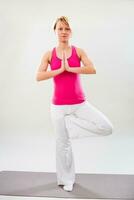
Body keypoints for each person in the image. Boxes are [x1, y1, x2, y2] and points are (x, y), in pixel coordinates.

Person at [36, 16, 114, 192]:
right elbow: (38, 76)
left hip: (80, 104)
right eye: (60, 29)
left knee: (106, 127)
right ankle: (66, 180)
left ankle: (71, 127)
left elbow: (92, 69)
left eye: (66, 29)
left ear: (71, 32)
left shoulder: (78, 51)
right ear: (55, 31)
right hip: (58, 106)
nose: (63, 32)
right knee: (62, 144)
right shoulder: (49, 54)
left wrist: (71, 68)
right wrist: (58, 70)